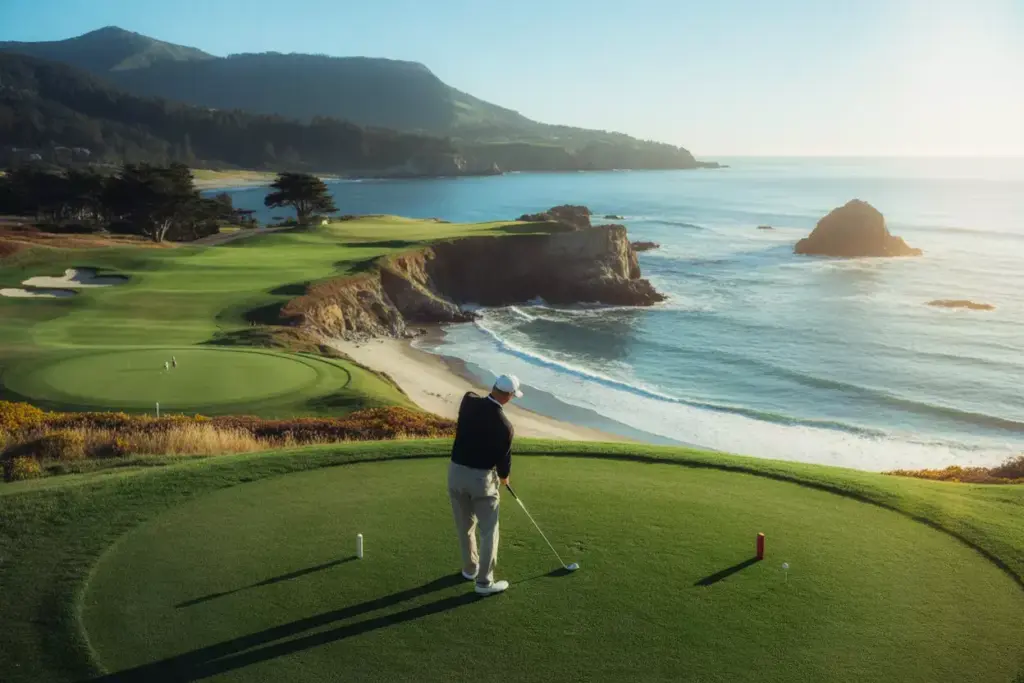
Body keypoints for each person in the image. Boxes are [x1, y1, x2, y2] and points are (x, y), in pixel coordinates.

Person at [448, 374, 522, 595]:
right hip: (481, 481)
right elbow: (504, 462)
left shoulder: (468, 401)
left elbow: (474, 396)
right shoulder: (505, 426)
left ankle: (470, 569)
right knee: (489, 530)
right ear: (508, 397)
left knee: (465, 525)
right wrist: (505, 478)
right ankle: (484, 583)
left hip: (455, 473)